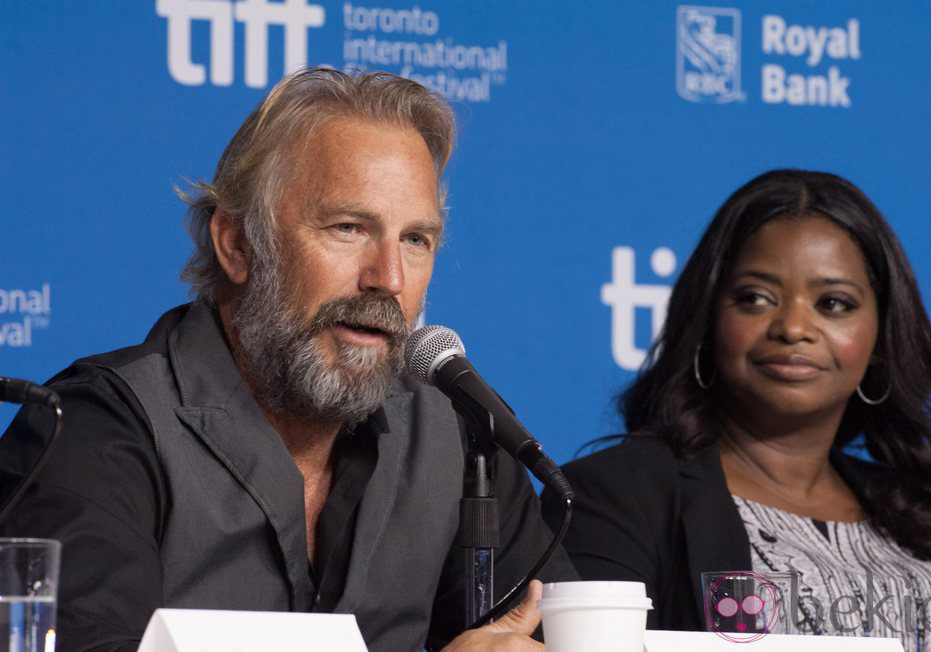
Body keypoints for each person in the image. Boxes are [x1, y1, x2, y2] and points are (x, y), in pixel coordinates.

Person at [0, 67, 573, 652]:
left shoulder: (453, 436)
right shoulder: (95, 434)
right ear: (238, 245)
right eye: (348, 227)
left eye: (415, 240)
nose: (390, 279)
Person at [542, 170, 931, 650]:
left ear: (880, 336)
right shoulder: (616, 497)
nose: (793, 327)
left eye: (833, 303)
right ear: (707, 318)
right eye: (754, 298)